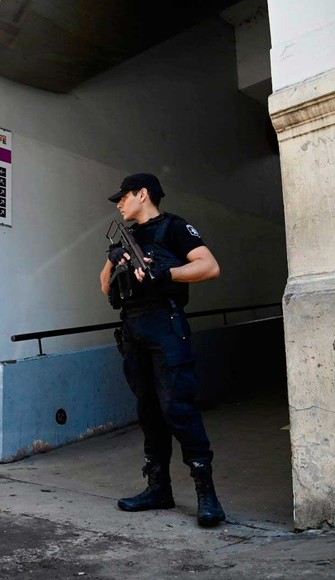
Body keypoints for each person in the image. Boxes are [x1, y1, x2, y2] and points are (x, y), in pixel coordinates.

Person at [100, 173, 225, 527]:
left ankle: (207, 495)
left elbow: (209, 266)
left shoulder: (174, 227)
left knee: (178, 408)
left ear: (143, 194)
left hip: (166, 327)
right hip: (134, 329)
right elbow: (104, 286)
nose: (119, 204)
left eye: (123, 197)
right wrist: (115, 258)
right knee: (149, 411)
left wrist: (166, 274)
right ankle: (158, 488)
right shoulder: (128, 237)